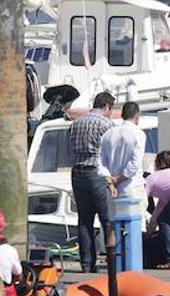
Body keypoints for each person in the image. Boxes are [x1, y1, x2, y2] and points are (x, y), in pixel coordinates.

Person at [70, 91, 116, 273]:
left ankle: (87, 264)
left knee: (84, 220)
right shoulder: (106, 124)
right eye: (110, 109)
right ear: (106, 106)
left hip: (77, 171)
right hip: (97, 172)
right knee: (107, 219)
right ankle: (113, 262)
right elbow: (110, 151)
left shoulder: (76, 123)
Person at [98, 101, 147, 220]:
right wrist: (118, 179)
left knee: (114, 227)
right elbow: (134, 164)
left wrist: (110, 181)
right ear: (137, 115)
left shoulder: (108, 134)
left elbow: (100, 162)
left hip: (112, 190)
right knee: (135, 227)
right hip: (132, 187)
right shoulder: (138, 134)